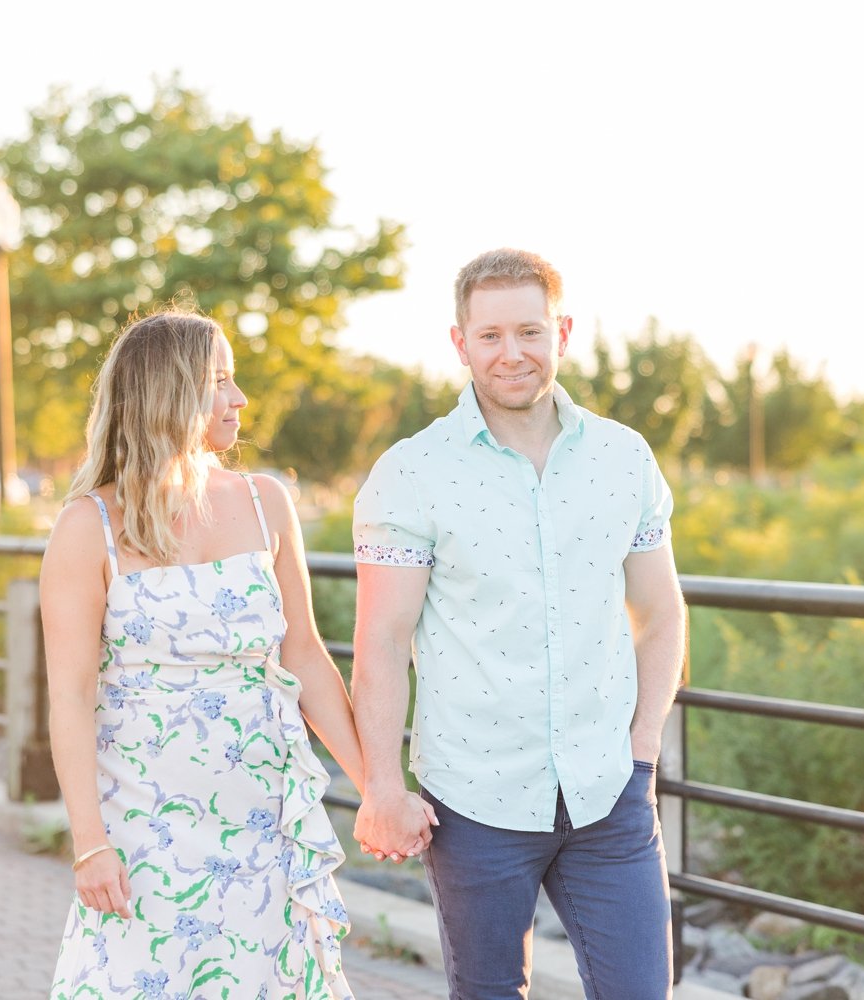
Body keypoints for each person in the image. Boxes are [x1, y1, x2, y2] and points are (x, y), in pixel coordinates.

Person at [351, 249, 687, 999]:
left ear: (562, 332)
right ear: (460, 342)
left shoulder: (623, 457)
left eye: (530, 333)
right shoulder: (412, 472)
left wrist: (641, 749)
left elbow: (662, 613)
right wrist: (382, 784)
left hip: (609, 794)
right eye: (492, 336)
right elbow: (381, 641)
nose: (513, 355)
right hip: (473, 802)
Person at [41, 309, 378, 999]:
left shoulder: (265, 502)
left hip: (262, 816)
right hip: (143, 826)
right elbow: (70, 697)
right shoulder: (86, 527)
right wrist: (89, 842)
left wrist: (379, 789)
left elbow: (305, 656)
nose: (239, 399)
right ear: (170, 392)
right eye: (220, 380)